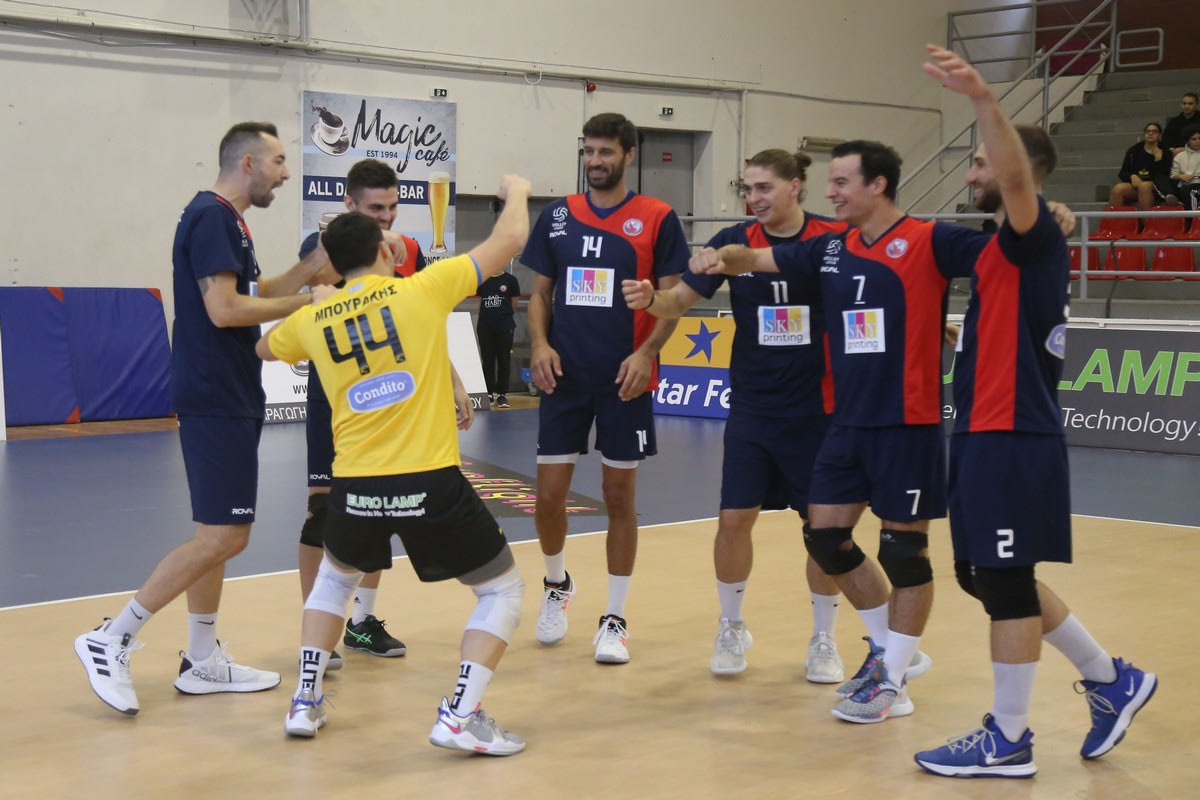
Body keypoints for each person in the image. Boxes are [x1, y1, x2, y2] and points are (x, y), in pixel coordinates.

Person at [913, 45, 1157, 778]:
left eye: (979, 164)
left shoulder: (1033, 237)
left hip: (1013, 432)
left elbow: (1016, 178)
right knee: (981, 575)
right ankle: (1111, 679)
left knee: (1005, 580)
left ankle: (1010, 738)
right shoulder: (999, 248)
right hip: (982, 431)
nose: (971, 175)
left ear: (1014, 168)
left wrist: (984, 98)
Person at [690, 140, 992, 723]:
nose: (830, 192)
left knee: (904, 552)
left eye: (841, 182)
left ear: (877, 184)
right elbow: (753, 259)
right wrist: (719, 256)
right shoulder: (830, 247)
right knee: (825, 537)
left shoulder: (931, 239)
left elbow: (1006, 257)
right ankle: (889, 656)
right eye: (828, 182)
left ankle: (892, 677)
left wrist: (1039, 215)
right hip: (845, 421)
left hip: (907, 422)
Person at [257, 173, 534, 753]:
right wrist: (516, 191)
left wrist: (314, 300)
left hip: (354, 484)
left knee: (334, 581)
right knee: (502, 591)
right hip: (429, 480)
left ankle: (305, 701)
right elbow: (510, 239)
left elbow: (263, 346)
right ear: (386, 253)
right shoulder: (422, 290)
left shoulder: (315, 319)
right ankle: (460, 715)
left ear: (332, 263)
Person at [74, 121, 337, 715]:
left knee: (216, 533)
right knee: (225, 536)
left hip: (231, 390)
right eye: (278, 161)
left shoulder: (228, 220)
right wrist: (309, 303)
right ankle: (112, 636)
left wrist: (310, 268)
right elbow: (223, 310)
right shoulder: (213, 216)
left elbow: (252, 293)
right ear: (247, 163)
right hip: (216, 393)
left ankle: (200, 659)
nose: (285, 173)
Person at [620, 149, 847, 681]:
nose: (754, 198)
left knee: (823, 529)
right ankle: (731, 626)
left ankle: (824, 638)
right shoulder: (730, 242)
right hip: (752, 408)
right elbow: (677, 303)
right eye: (747, 189)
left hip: (818, 411)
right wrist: (651, 298)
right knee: (733, 520)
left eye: (764, 187)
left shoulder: (832, 240)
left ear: (795, 186)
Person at [523, 112, 688, 664]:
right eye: (589, 151)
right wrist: (539, 345)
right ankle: (556, 585)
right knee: (548, 497)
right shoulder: (558, 216)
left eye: (606, 152)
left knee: (619, 498)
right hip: (564, 378)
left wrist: (646, 354)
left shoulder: (658, 218)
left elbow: (674, 301)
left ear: (628, 155)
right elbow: (540, 294)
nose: (595, 161)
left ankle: (614, 618)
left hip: (624, 381)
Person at [296, 158, 469, 669]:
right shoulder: (321, 247)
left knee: (381, 510)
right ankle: (316, 632)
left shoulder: (406, 252)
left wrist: (454, 380)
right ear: (349, 204)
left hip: (392, 400)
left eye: (392, 207)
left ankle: (362, 622)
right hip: (336, 398)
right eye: (376, 208)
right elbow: (314, 296)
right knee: (322, 515)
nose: (387, 217)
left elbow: (422, 322)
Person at [476, 267, 521, 408]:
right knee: (487, 360)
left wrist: (502, 316)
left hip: (505, 327)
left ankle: (502, 394)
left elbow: (514, 303)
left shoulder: (511, 280)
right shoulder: (482, 280)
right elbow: (480, 303)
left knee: (504, 360)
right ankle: (488, 393)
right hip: (485, 327)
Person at [1107, 122, 1175, 209]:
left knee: (1144, 186)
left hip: (1158, 187)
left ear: (1159, 135)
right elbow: (1123, 172)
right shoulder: (1134, 150)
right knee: (1118, 189)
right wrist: (1132, 176)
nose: (1150, 133)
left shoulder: (1165, 150)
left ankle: (1146, 217)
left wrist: (1158, 160)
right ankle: (1112, 217)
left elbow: (1166, 175)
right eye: (1148, 131)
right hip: (1137, 185)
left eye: (1154, 131)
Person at [1169, 125, 1200, 211]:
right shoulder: (1180, 156)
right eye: (1194, 139)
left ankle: (1191, 218)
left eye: (1199, 138)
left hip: (1196, 185)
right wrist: (1182, 176)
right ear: (1188, 140)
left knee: (1189, 192)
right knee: (1185, 190)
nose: (1198, 141)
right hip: (1186, 186)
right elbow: (1173, 174)